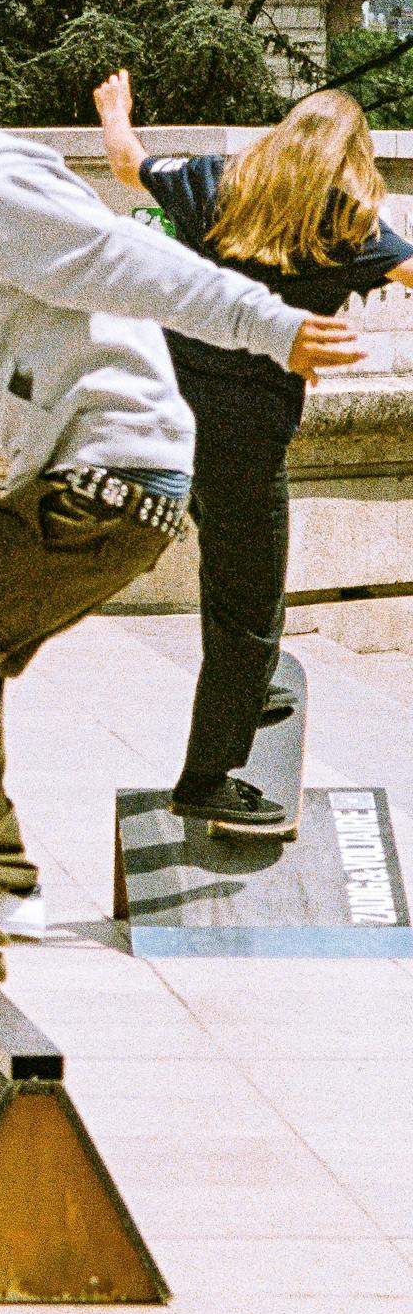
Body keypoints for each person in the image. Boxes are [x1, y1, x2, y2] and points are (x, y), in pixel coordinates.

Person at [0, 81, 363, 942]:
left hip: (105, 478)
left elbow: (132, 263)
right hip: (113, 478)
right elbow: (21, 394)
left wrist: (267, 324)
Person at [95, 72, 413, 832]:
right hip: (246, 428)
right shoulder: (351, 222)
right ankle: (207, 776)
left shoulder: (215, 180)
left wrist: (116, 110)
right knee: (249, 600)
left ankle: (250, 682)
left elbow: (128, 161)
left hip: (167, 407)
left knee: (223, 555)